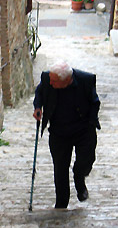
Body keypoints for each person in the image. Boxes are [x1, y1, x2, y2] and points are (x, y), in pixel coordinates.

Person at [33, 61, 101, 209]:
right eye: (50, 80)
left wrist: (91, 122)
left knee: (85, 161)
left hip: (83, 130)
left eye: (54, 81)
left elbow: (95, 102)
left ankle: (79, 179)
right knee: (60, 168)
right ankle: (61, 203)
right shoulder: (47, 79)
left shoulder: (85, 80)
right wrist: (38, 107)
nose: (50, 83)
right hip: (59, 132)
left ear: (66, 80)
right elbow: (39, 92)